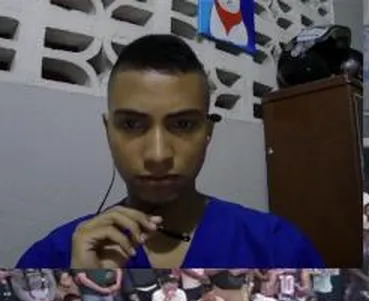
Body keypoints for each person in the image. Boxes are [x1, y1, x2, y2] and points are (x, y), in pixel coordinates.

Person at [17, 35, 324, 269]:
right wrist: (81, 283)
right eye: (132, 124)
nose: (158, 155)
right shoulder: (52, 257)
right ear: (108, 131)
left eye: (183, 124)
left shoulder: (279, 248)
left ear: (208, 132)